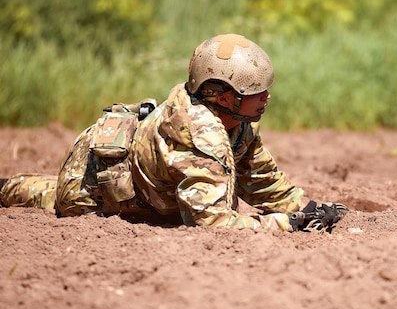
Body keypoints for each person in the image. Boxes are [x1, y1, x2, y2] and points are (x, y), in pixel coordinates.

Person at [0, 34, 347, 232]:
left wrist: (308, 208)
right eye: (256, 90)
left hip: (146, 188)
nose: (267, 96)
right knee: (50, 198)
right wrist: (287, 224)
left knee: (38, 188)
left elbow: (261, 180)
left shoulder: (235, 123)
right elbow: (211, 223)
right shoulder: (199, 135)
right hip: (92, 191)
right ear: (224, 96)